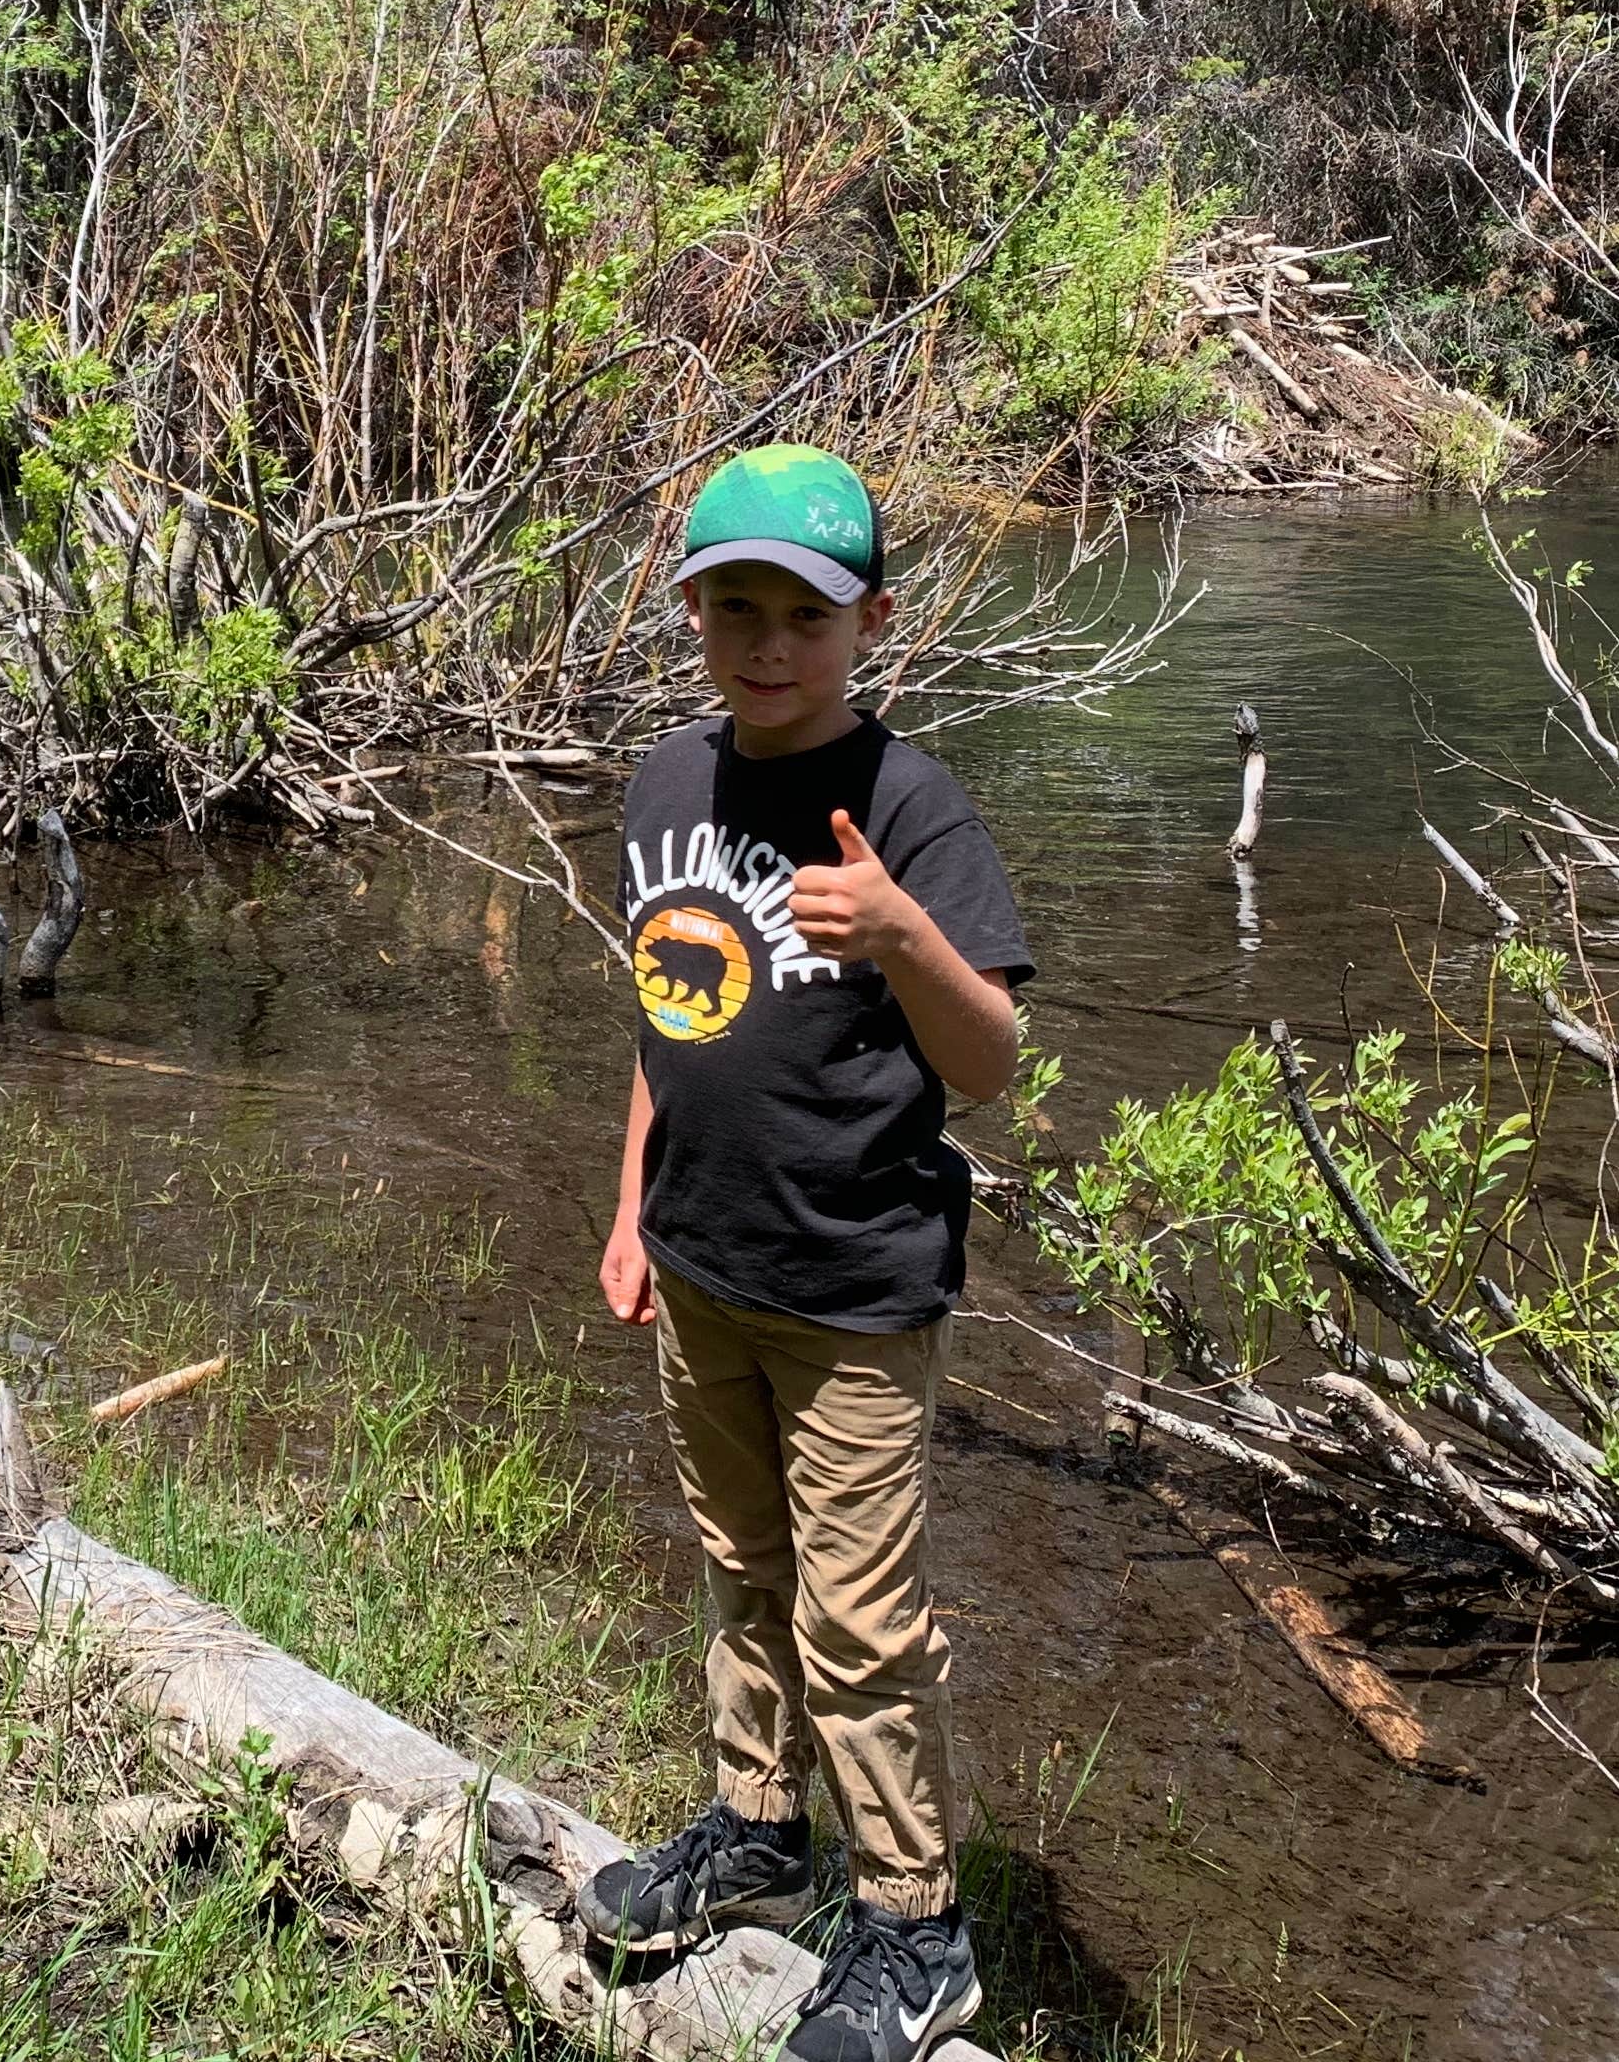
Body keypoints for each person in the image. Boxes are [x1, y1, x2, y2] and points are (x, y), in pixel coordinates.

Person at [577, 443, 1032, 2061]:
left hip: (852, 1287)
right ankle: (761, 1832)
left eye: (804, 616)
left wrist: (903, 932)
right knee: (740, 1566)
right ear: (693, 611)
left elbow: (988, 1066)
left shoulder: (914, 807)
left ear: (870, 624)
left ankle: (919, 1930)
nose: (767, 645)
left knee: (860, 1618)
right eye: (735, 609)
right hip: (704, 1265)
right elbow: (667, 1013)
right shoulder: (665, 782)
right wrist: (634, 1207)